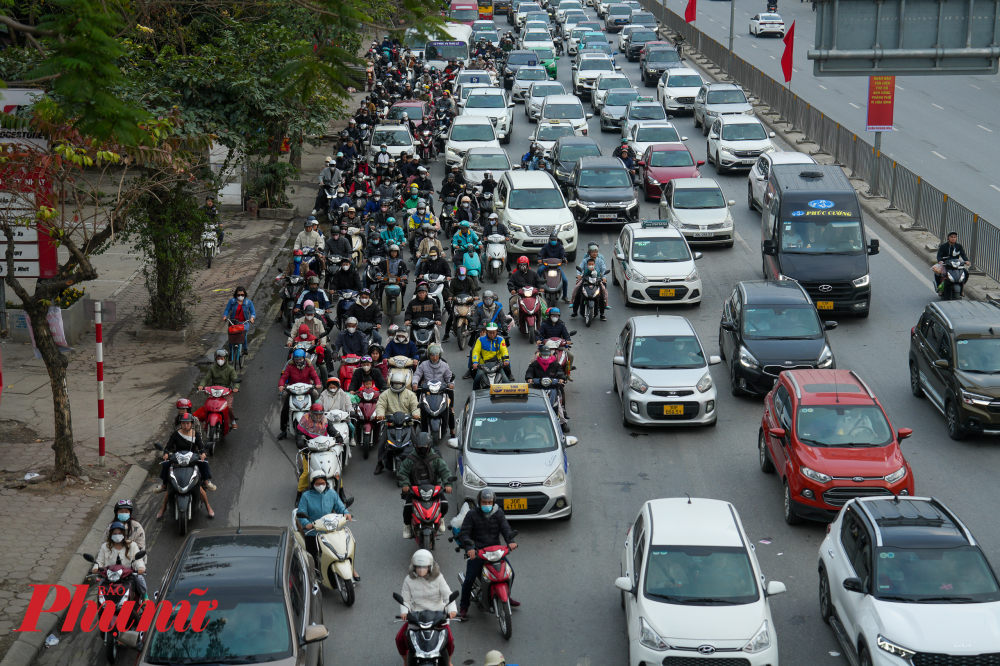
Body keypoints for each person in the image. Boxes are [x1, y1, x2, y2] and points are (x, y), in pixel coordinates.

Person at [456, 489, 518, 618]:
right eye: (484, 502)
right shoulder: (472, 514)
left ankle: (506, 595)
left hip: (496, 551)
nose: (487, 504)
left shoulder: (498, 512)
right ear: (479, 502)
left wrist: (510, 541)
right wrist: (470, 549)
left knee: (510, 573)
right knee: (469, 579)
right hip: (478, 552)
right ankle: (463, 606)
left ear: (493, 502)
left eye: (489, 502)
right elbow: (465, 533)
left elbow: (505, 528)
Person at [396, 550, 457, 666]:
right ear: (413, 567)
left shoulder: (438, 578)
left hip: (437, 615)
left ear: (430, 566)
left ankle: (448, 661)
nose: (421, 569)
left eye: (424, 567)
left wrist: (452, 610)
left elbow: (448, 595)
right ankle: (405, 661)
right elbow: (406, 600)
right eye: (418, 567)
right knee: (400, 638)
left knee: (449, 640)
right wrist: (404, 612)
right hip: (417, 616)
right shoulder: (408, 580)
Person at [296, 471, 359, 580]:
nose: (321, 485)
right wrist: (307, 524)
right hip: (313, 531)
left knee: (343, 547)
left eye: (323, 483)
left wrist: (346, 513)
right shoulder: (306, 496)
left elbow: (340, 507)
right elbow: (301, 514)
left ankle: (351, 567)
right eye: (317, 484)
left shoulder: (332, 493)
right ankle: (312, 575)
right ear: (312, 484)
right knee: (312, 556)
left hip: (330, 528)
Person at [156, 413, 216, 519]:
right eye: (183, 423)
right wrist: (165, 453)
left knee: (204, 464)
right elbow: (168, 447)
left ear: (191, 424)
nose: (185, 425)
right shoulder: (175, 434)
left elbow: (201, 446)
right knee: (168, 473)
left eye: (188, 423)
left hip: (192, 460)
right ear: (181, 424)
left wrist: (203, 453)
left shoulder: (195, 434)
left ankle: (207, 502)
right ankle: (164, 492)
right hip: (178, 460)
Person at [397, 432, 453, 537]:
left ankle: (440, 518)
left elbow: (445, 472)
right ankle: (407, 526)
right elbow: (402, 473)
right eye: (420, 447)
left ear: (429, 446)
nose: (422, 450)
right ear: (416, 446)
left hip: (434, 489)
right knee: (407, 508)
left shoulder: (436, 459)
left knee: (444, 505)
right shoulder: (410, 459)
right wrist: (405, 484)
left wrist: (448, 484)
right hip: (414, 490)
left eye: (425, 448)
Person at [374, 371, 421, 475]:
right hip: (390, 423)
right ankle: (380, 462)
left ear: (404, 384)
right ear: (391, 384)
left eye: (399, 384)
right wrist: (381, 414)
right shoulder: (385, 394)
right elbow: (380, 405)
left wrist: (416, 413)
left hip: (406, 423)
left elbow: (415, 406)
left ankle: (419, 462)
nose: (397, 386)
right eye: (395, 384)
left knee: (415, 441)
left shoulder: (410, 394)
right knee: (382, 442)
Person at [93, 521, 147, 599]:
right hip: (110, 576)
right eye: (115, 533)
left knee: (139, 579)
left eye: (120, 533)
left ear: (124, 534)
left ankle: (145, 597)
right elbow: (100, 561)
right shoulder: (105, 547)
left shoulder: (132, 545)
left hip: (128, 576)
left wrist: (140, 567)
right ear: (111, 534)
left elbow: (137, 560)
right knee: (101, 587)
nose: (117, 535)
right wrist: (96, 568)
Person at [412, 344, 456, 435]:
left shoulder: (444, 365)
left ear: (439, 355)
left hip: (441, 392)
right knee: (419, 408)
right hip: (427, 391)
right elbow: (417, 374)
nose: (434, 357)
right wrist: (415, 383)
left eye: (436, 355)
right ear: (429, 355)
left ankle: (452, 429)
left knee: (449, 411)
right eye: (432, 355)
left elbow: (449, 376)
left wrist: (451, 384)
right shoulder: (423, 364)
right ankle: (414, 426)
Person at [278, 349, 322, 440]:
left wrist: (318, 384)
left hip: (307, 390)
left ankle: (317, 424)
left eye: (300, 359)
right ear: (294, 360)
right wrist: (281, 385)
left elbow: (315, 376)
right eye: (297, 360)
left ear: (304, 358)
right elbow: (284, 377)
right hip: (292, 390)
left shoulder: (309, 366)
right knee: (284, 408)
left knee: (315, 395)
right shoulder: (290, 367)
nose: (299, 361)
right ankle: (283, 430)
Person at [199, 348, 240, 430]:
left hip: (226, 392)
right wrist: (201, 385)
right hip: (214, 391)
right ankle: (206, 421)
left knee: (228, 406)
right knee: (207, 406)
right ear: (216, 359)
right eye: (218, 358)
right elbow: (206, 379)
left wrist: (236, 387)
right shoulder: (212, 369)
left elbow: (235, 380)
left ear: (225, 359)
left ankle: (232, 421)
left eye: (222, 358)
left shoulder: (230, 369)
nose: (220, 360)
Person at [525, 340, 569, 417]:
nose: (545, 356)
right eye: (544, 355)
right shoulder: (535, 364)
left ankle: (563, 414)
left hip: (552, 386)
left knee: (560, 396)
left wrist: (561, 378)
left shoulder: (555, 364)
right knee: (529, 400)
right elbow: (529, 371)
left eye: (547, 355)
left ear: (550, 354)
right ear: (540, 354)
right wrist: (529, 378)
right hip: (537, 386)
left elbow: (560, 371)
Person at [471, 323, 513, 389]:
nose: (492, 335)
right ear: (487, 331)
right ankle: (474, 394)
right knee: (477, 379)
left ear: (497, 332)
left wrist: (506, 360)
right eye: (490, 333)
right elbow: (476, 351)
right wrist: (475, 362)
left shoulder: (501, 339)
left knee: (506, 381)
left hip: (497, 365)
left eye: (494, 333)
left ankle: (511, 396)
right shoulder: (480, 340)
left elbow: (504, 350)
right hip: (483, 365)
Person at [535, 307, 574, 377]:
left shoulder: (561, 325)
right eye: (553, 315)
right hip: (546, 346)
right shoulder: (544, 324)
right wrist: (538, 340)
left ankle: (568, 373)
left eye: (557, 316)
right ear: (549, 316)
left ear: (559, 316)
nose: (555, 317)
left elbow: (566, 334)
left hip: (559, 346)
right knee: (535, 358)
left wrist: (568, 340)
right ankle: (533, 374)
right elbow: (539, 334)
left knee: (571, 356)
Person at [572, 243, 609, 315]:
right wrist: (579, 275)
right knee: (578, 291)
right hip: (586, 279)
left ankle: (602, 313)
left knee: (602, 294)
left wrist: (604, 277)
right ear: (589, 253)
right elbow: (580, 268)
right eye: (593, 252)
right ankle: (575, 311)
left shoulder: (600, 261)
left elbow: (604, 270)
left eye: (596, 252)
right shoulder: (585, 260)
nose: (594, 254)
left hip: (597, 280)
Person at [444, 266, 479, 341]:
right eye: (460, 275)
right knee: (451, 317)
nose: (462, 276)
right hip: (457, 301)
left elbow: (474, 289)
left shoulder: (469, 280)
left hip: (468, 301)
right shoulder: (453, 281)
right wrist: (450, 297)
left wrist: (476, 296)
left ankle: (476, 333)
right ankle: (446, 334)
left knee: (474, 315)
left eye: (463, 275)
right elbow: (451, 291)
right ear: (457, 274)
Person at [507, 255, 545, 321]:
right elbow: (510, 283)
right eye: (521, 265)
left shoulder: (533, 273)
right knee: (512, 301)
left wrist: (541, 287)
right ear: (518, 265)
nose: (522, 266)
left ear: (527, 264)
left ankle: (544, 318)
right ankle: (515, 318)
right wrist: (512, 289)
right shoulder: (515, 274)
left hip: (534, 294)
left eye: (524, 264)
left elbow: (539, 282)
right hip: (520, 295)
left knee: (544, 303)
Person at [536, 233, 570, 303]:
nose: (553, 241)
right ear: (549, 239)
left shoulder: (560, 247)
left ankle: (565, 296)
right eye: (552, 239)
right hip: (547, 265)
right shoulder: (546, 246)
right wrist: (539, 258)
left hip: (556, 266)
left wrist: (564, 259)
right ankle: (537, 286)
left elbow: (563, 254)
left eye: (554, 239)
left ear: (557, 239)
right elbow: (541, 253)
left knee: (565, 280)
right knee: (539, 270)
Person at [222, 286, 255, 354]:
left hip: (243, 323)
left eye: (242, 295)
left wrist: (252, 318)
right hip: (233, 322)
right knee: (231, 338)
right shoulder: (232, 301)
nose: (240, 296)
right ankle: (231, 353)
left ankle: (245, 349)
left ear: (244, 294)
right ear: (236, 295)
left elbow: (253, 312)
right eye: (238, 295)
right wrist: (225, 316)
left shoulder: (249, 302)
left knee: (242, 335)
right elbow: (227, 310)